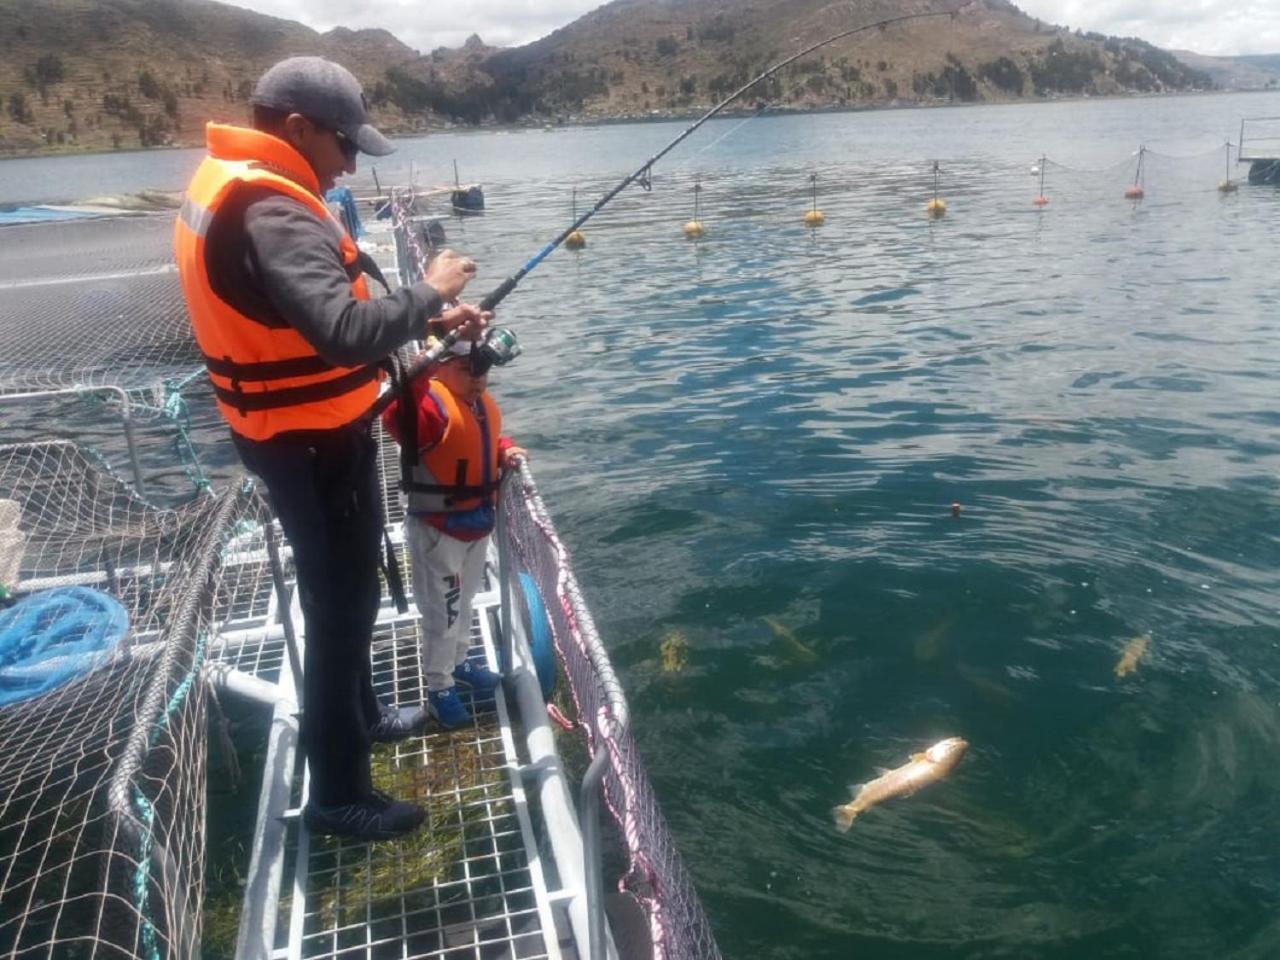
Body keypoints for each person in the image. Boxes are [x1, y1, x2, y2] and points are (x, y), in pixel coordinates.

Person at [173, 56, 488, 841]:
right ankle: (339, 795)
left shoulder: (234, 178)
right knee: (342, 609)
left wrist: (421, 323)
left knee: (349, 592)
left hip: (300, 437)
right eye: (344, 146)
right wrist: (432, 292)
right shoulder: (270, 208)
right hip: (307, 445)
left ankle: (365, 714)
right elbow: (341, 332)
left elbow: (310, 311)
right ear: (297, 128)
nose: (349, 163)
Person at [382, 335, 526, 728]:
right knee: (442, 614)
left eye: (483, 371)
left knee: (464, 607)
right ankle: (439, 687)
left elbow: (486, 440)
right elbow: (396, 412)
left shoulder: (477, 405)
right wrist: (422, 364)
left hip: (477, 525)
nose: (477, 379)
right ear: (439, 370)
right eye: (465, 369)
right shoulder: (428, 407)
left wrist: (506, 449)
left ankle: (459, 663)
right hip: (438, 530)